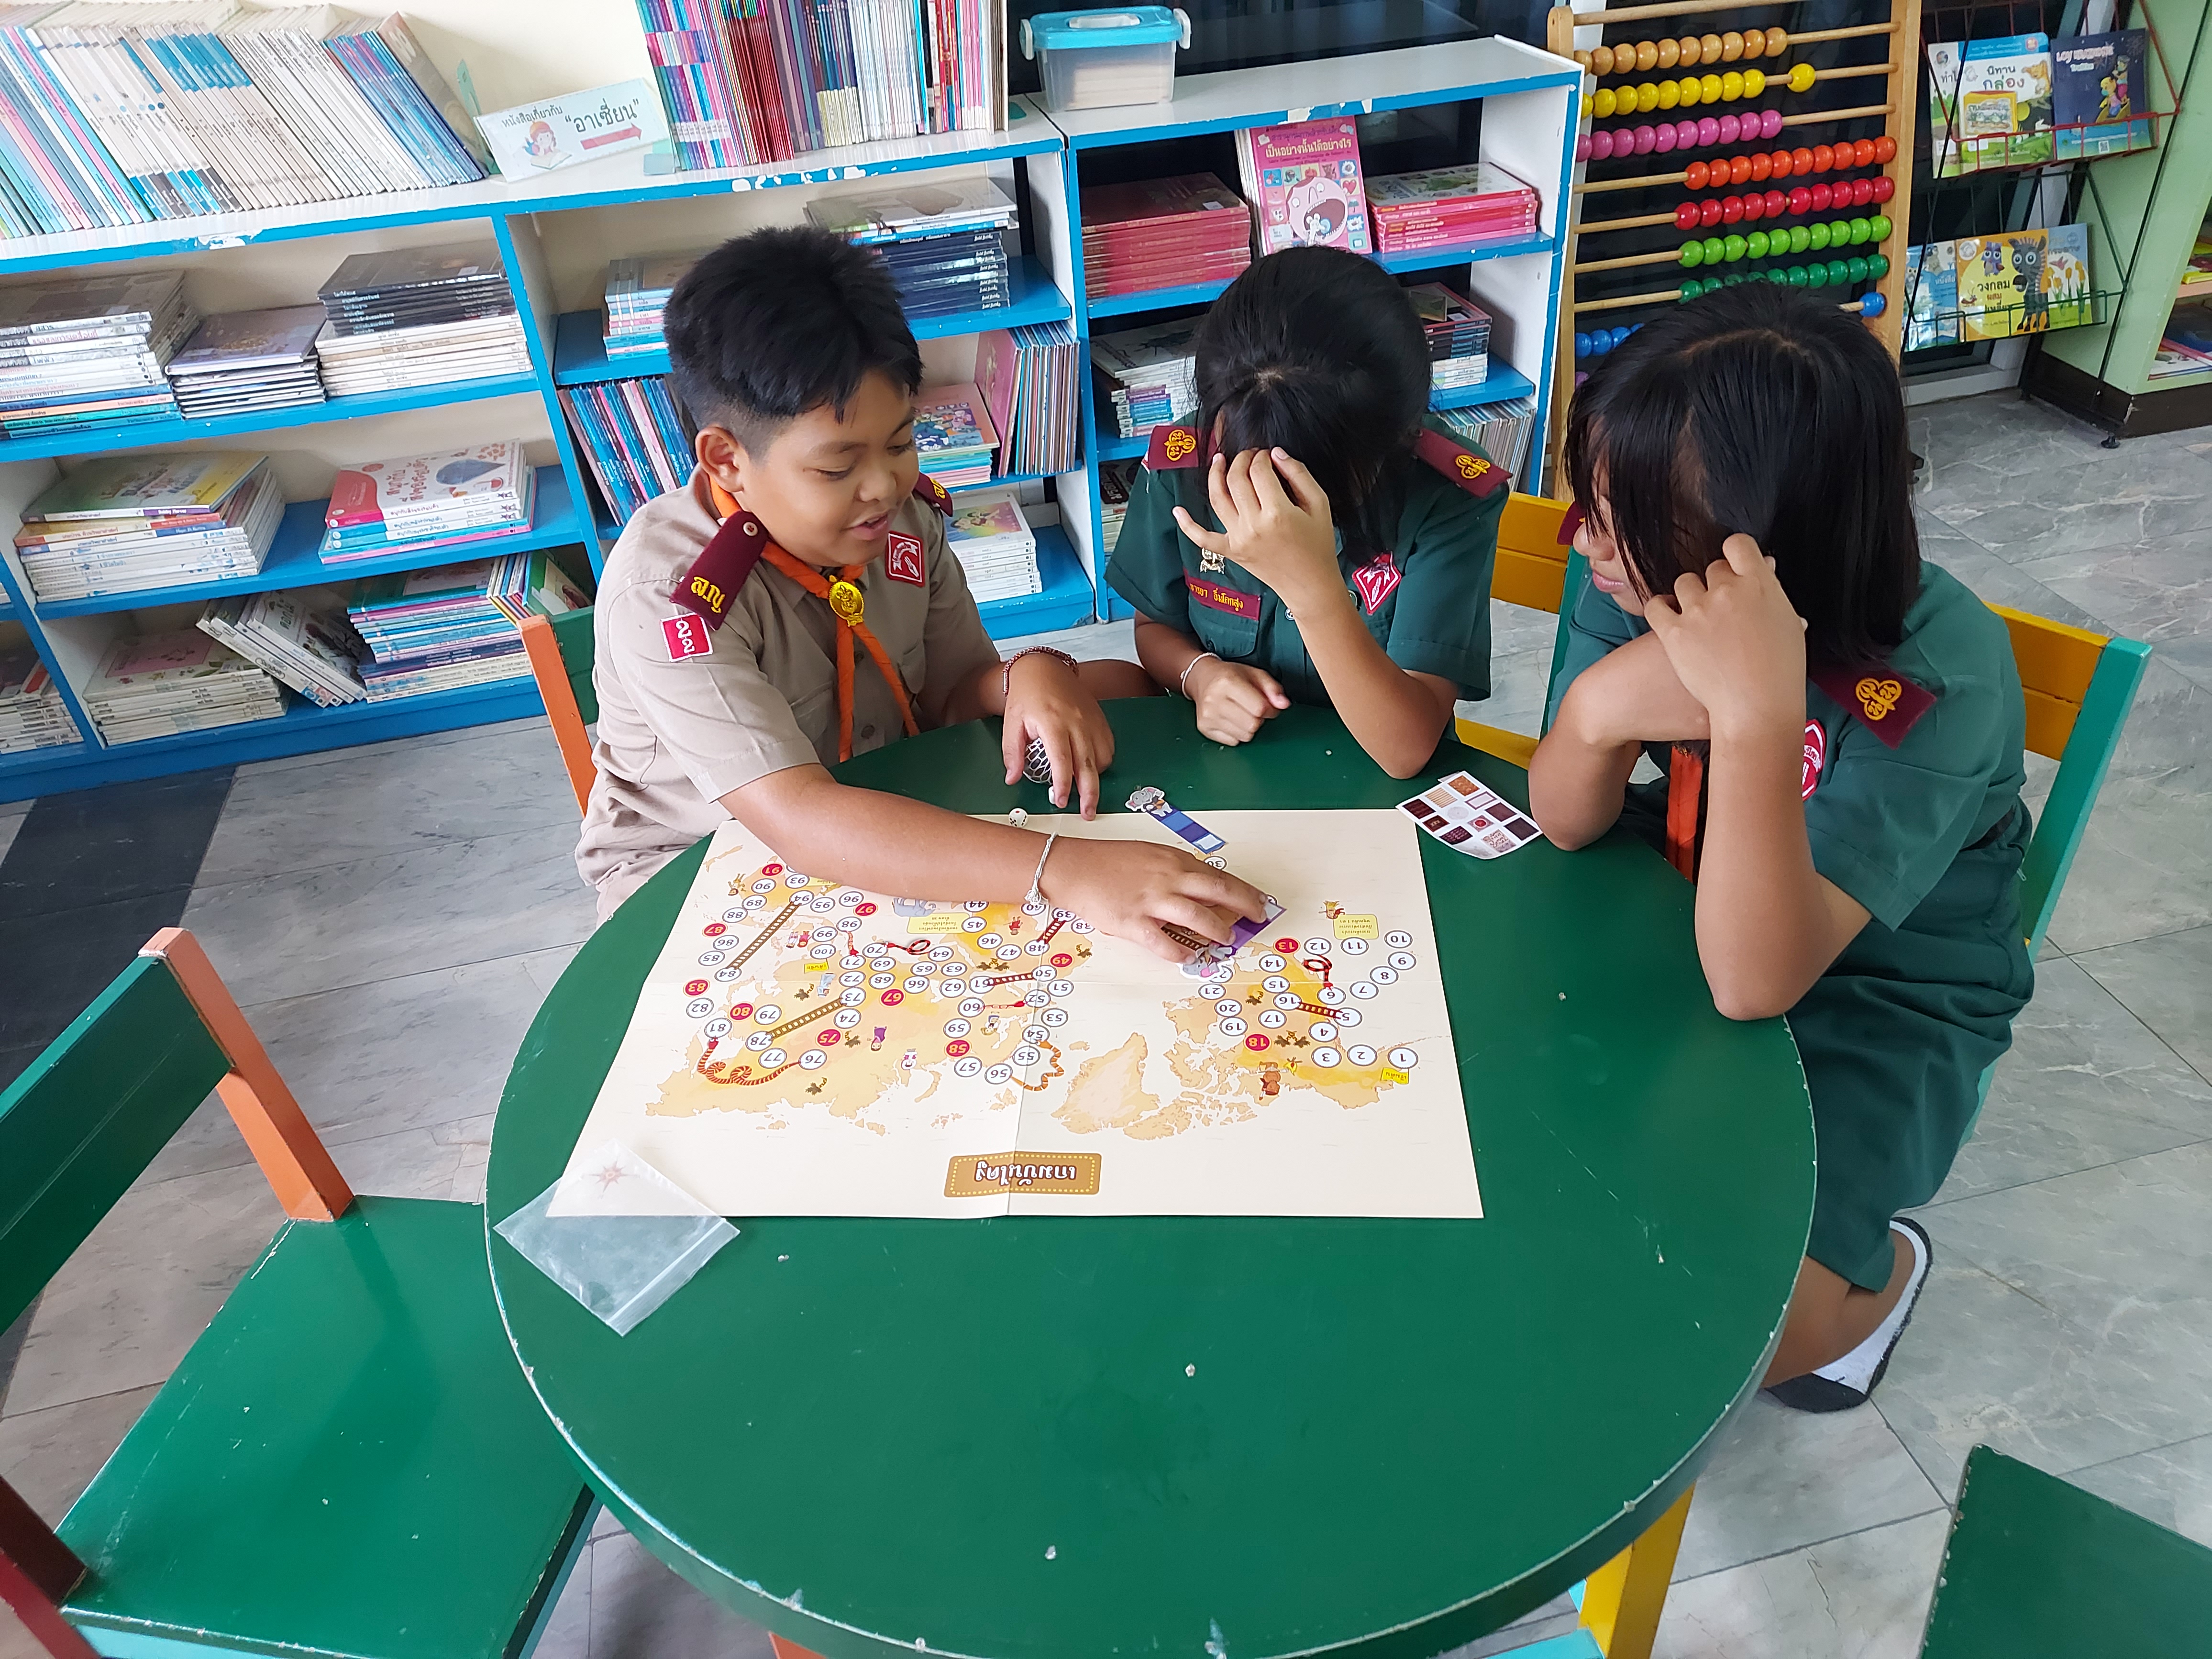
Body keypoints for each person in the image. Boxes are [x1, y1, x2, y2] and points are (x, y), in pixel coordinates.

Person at [1527, 283, 2033, 1411]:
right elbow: (1563, 817)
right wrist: (1598, 710)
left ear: (1763, 546)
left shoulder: (1933, 675)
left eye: (1621, 518)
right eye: (1585, 500)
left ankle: (1881, 1274)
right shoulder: (1635, 568)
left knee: (1753, 1337)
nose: (1588, 542)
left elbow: (1756, 984)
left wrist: (1754, 713)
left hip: (1880, 985)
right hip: (1682, 893)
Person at [576, 225, 1264, 960]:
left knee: (1115, 694)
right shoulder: (671, 596)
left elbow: (952, 697)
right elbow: (800, 819)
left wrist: (1028, 673)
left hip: (889, 810)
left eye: (901, 443)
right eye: (837, 468)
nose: (884, 486)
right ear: (727, 460)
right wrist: (1066, 869)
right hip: (707, 870)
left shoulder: (899, 520)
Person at [1105, 246, 1507, 779]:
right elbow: (1156, 625)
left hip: (1375, 782)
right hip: (1228, 769)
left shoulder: (1447, 496)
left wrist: (1311, 588)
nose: (1273, 501)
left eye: (1310, 483)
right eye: (1246, 463)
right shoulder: (1184, 465)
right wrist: (1198, 675)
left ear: (1398, 438)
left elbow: (1404, 750)